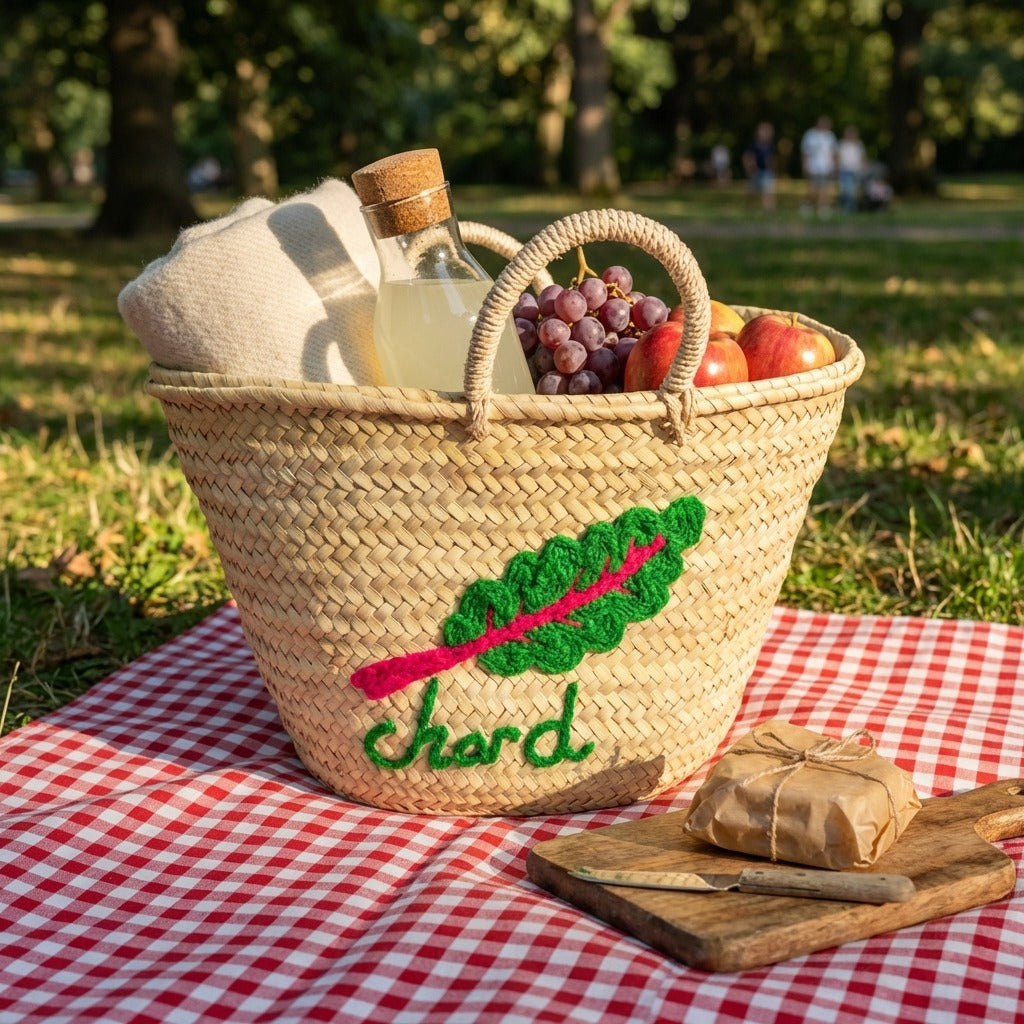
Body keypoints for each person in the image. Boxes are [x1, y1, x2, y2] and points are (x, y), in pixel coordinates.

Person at [800, 115, 838, 216]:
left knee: (824, 188)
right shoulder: (810, 135)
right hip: (813, 166)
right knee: (811, 188)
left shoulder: (830, 136)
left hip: (826, 167)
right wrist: (805, 165)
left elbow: (833, 153)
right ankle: (807, 206)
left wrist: (834, 167)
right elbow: (805, 152)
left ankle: (823, 209)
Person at [742, 122, 777, 211]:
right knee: (752, 191)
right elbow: (746, 157)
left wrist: (773, 168)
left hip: (766, 172)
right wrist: (748, 168)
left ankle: (768, 209)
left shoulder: (770, 146)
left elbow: (771, 159)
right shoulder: (753, 144)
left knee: (768, 191)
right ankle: (749, 208)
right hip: (755, 171)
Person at [837, 125, 867, 212]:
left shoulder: (859, 145)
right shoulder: (842, 144)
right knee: (847, 191)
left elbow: (863, 158)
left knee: (853, 191)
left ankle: (852, 209)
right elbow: (838, 158)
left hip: (856, 170)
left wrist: (863, 167)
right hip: (845, 170)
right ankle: (847, 209)